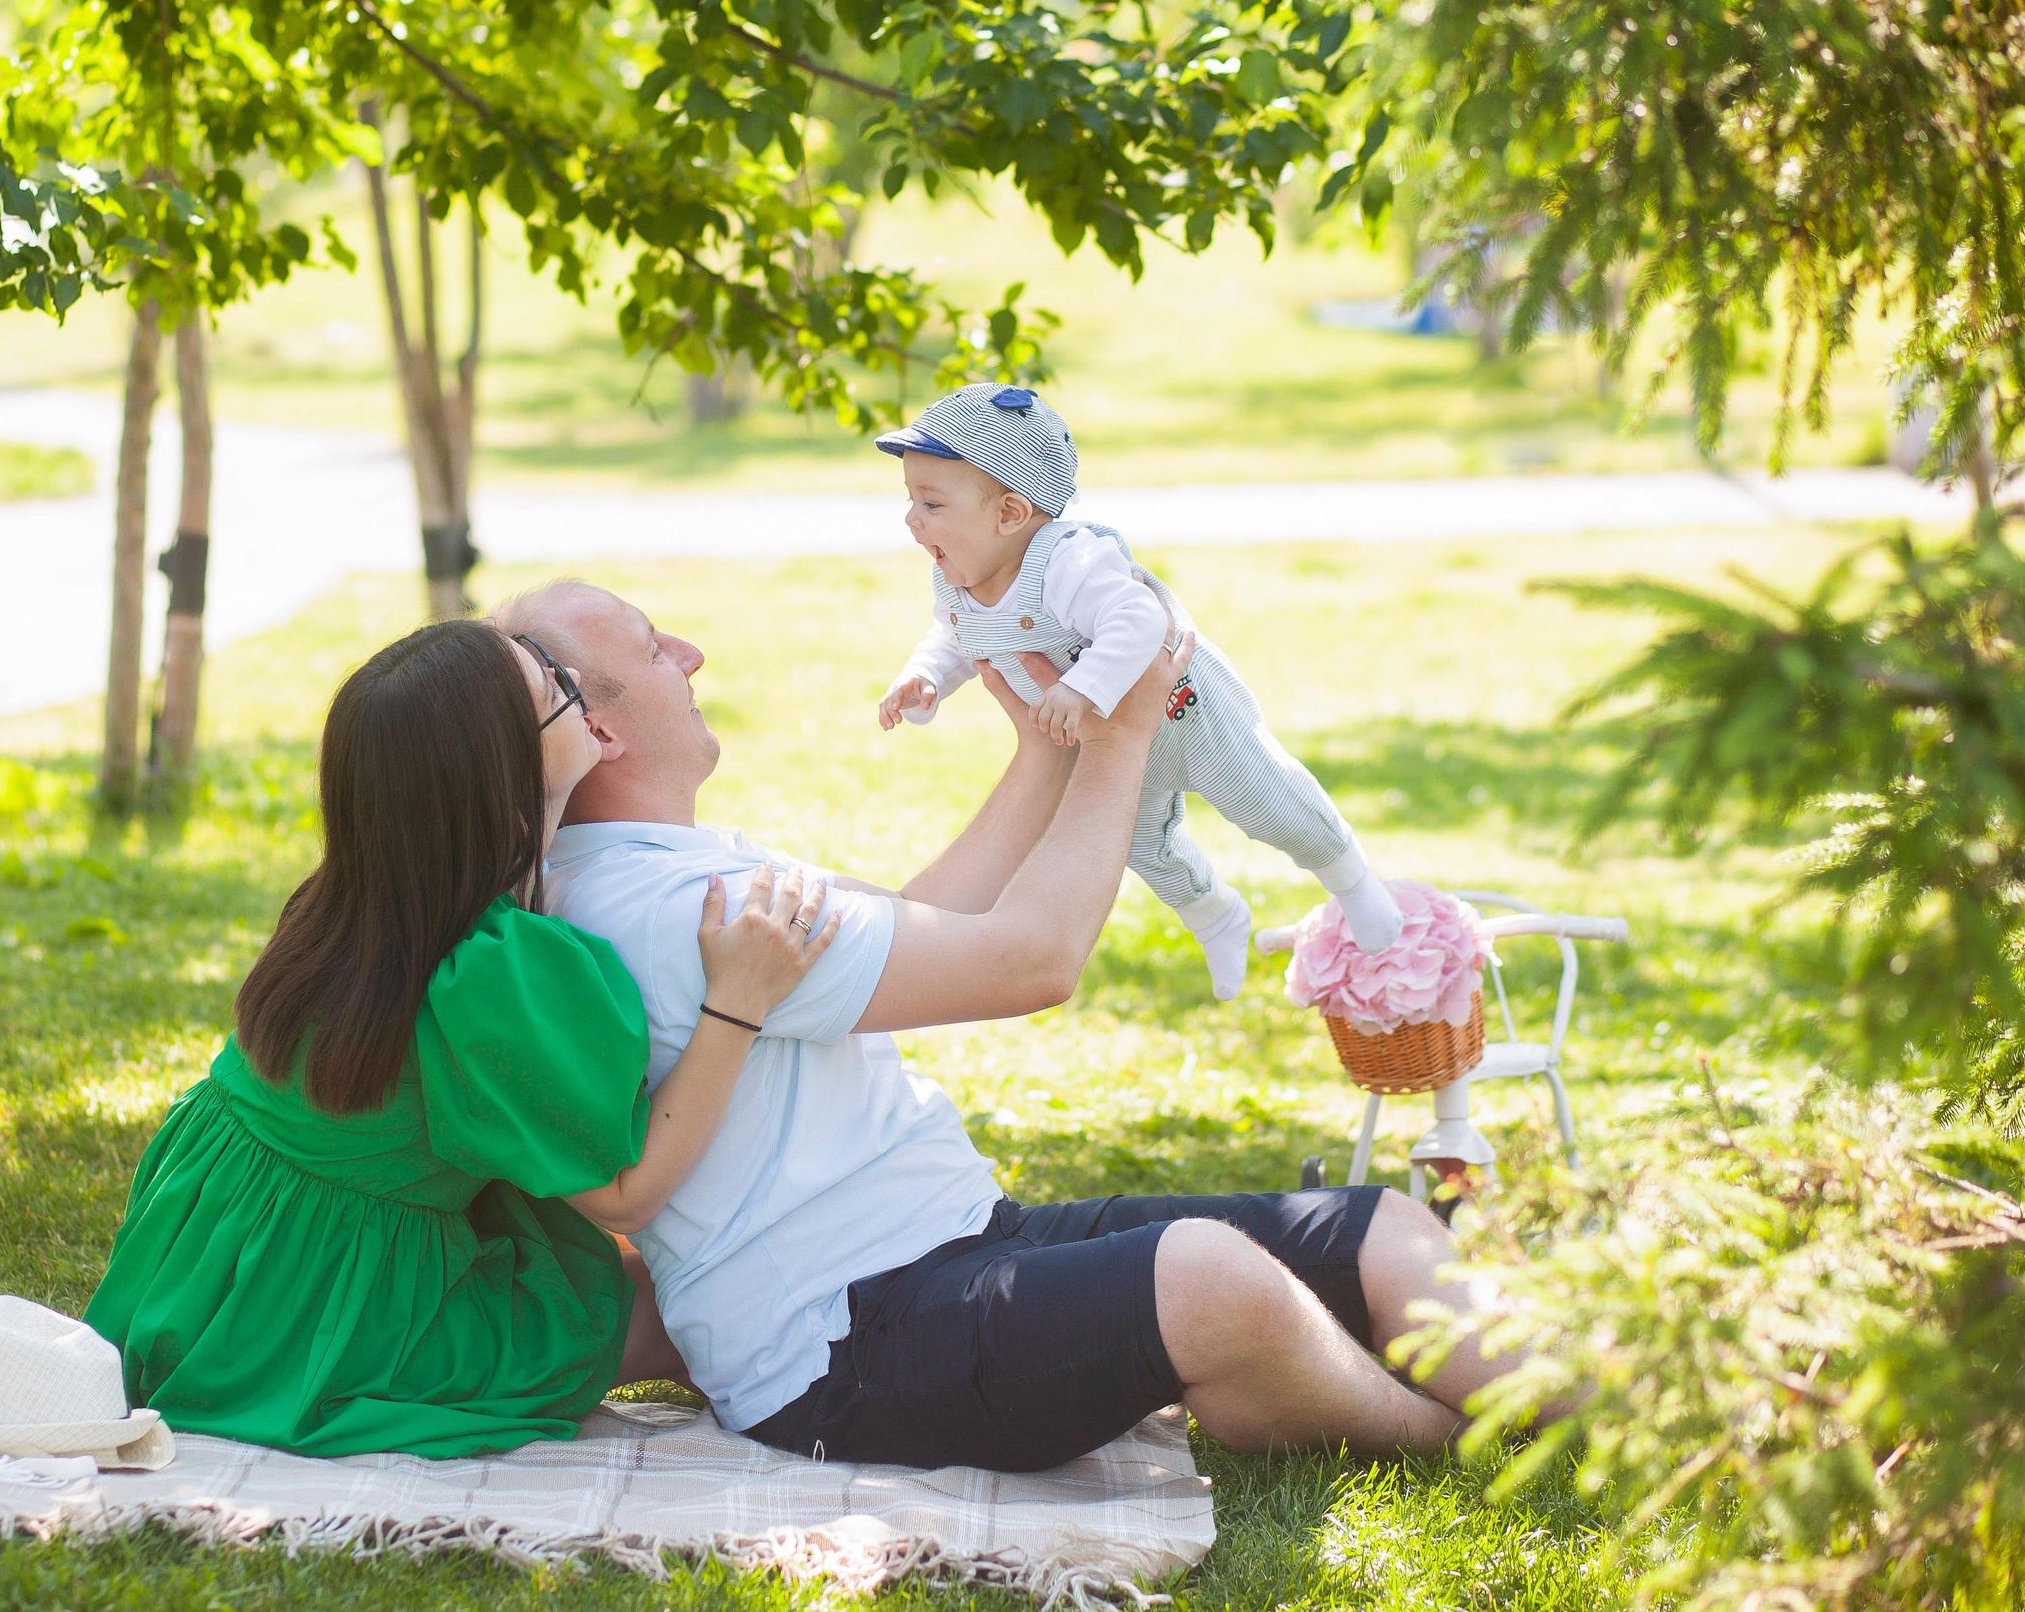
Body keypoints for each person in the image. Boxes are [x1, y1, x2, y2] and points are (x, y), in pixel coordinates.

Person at [496, 578, 1535, 1473]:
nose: (690, 652)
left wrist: (1049, 746)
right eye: (649, 642)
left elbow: (923, 923)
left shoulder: (668, 864)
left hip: (956, 1243)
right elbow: (1030, 962)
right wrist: (1123, 738)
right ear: (599, 725)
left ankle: (1601, 1411)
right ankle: (1449, 1440)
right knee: (1213, 1280)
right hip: (842, 1348)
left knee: (1381, 1232)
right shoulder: (663, 907)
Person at [84, 619, 834, 1457]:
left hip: (204, 1255)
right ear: (506, 773)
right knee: (686, 1304)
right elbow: (627, 1194)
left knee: (642, 1268)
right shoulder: (485, 971)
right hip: (303, 1310)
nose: (573, 685)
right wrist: (738, 1001)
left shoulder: (365, 896)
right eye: (554, 689)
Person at [874, 382, 1401, 1000]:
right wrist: (927, 676)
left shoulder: (1069, 561)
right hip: (1109, 749)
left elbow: (1139, 620)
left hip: (1189, 716)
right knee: (1140, 844)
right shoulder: (959, 580)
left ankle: (1353, 883)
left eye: (931, 504)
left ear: (1012, 514)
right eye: (910, 500)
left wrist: (1082, 689)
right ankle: (1215, 915)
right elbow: (954, 635)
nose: (911, 521)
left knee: (1269, 801)